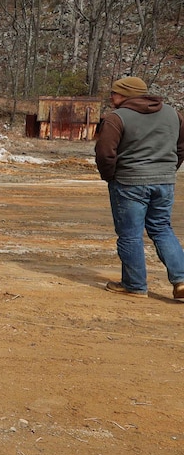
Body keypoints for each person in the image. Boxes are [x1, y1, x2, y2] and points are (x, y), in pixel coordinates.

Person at [94, 76, 184, 300]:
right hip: (164, 181)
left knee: (130, 234)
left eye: (114, 93)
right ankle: (182, 280)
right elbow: (182, 147)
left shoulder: (117, 118)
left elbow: (105, 152)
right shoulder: (173, 114)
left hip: (129, 182)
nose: (111, 97)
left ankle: (134, 285)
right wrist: (169, 170)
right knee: (162, 228)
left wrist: (110, 176)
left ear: (125, 95)